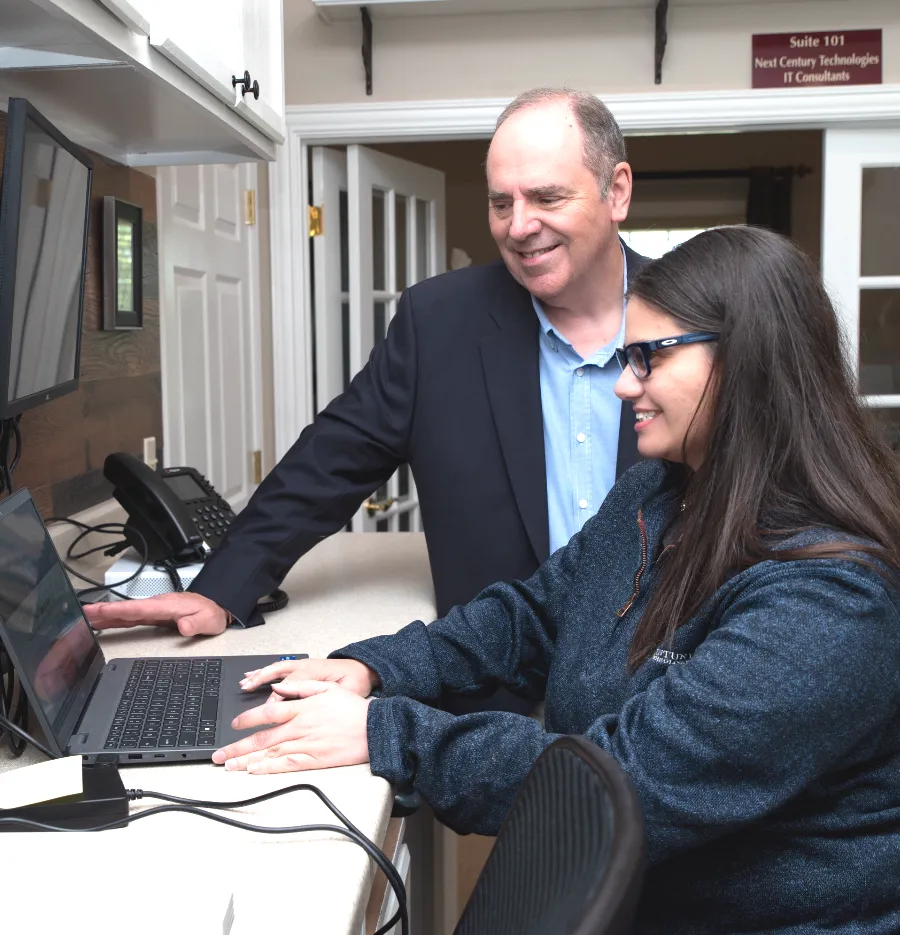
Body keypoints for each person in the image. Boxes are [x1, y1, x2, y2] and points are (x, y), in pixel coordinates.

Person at [211, 227, 900, 934]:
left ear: (744, 362)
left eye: (648, 358)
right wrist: (372, 667)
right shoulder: (656, 494)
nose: (625, 382)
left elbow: (620, 782)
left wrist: (390, 733)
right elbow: (534, 614)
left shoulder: (829, 596)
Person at [84, 87, 649, 639]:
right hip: (493, 683)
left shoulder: (708, 321)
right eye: (501, 203)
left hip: (663, 679)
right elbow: (329, 463)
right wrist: (219, 589)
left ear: (616, 192)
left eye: (547, 198)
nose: (519, 227)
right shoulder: (439, 323)